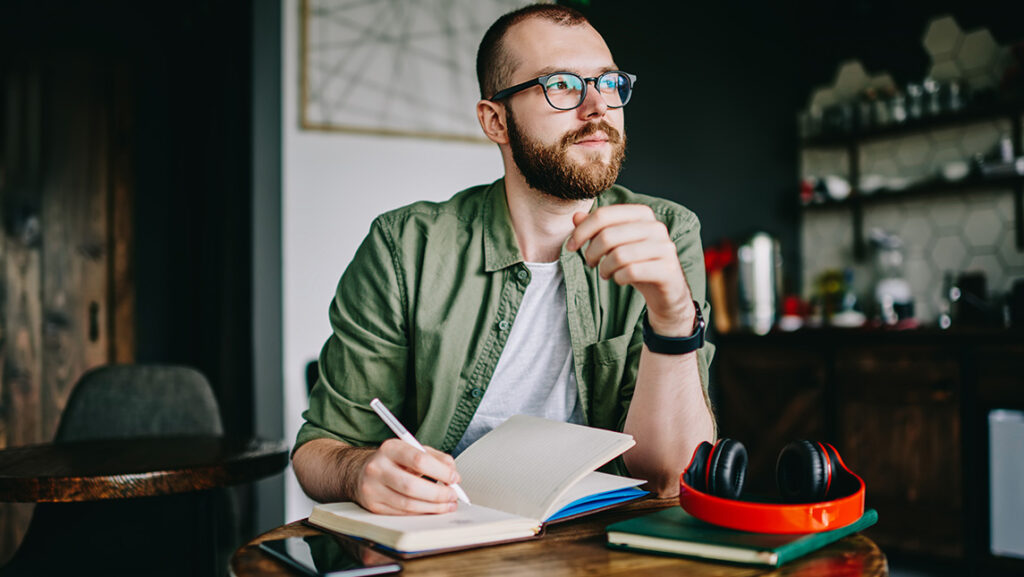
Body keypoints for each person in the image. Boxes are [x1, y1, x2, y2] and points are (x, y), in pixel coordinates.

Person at [292, 4, 715, 516]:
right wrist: (361, 473)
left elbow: (668, 476)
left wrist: (672, 319)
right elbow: (316, 453)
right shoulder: (405, 245)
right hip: (448, 547)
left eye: (607, 84)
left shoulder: (667, 233)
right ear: (495, 120)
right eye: (561, 85)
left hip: (601, 547)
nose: (596, 108)